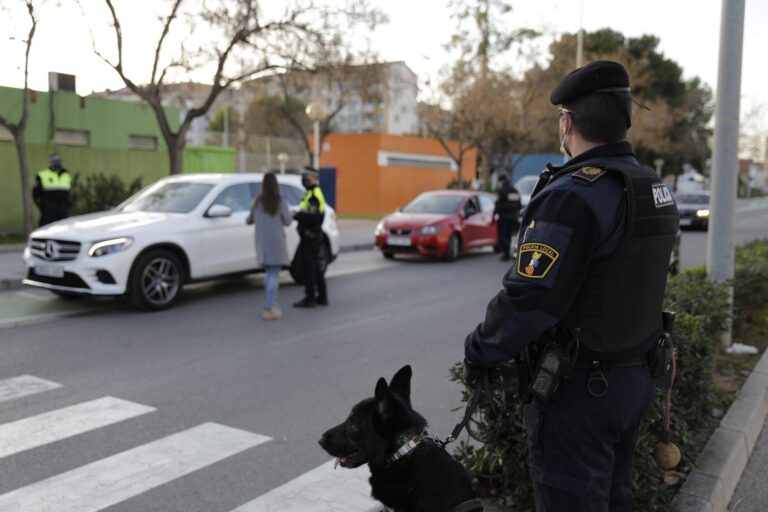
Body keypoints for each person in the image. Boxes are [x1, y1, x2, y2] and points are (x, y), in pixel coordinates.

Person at [463, 60, 679, 511]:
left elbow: (530, 300)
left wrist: (480, 349)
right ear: (626, 120)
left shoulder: (572, 195)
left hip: (581, 393)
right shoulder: (651, 187)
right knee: (613, 499)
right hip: (635, 378)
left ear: (567, 123)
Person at [246, 172, 292, 320]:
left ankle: (271, 302)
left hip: (262, 242)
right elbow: (288, 221)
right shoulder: (280, 201)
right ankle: (268, 307)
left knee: (269, 274)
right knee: (274, 274)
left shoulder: (257, 201)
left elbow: (249, 220)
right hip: (277, 242)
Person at [293, 167, 328, 308]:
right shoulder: (311, 193)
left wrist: (297, 216)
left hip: (310, 236)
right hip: (313, 236)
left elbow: (312, 217)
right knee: (316, 267)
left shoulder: (314, 195)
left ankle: (310, 297)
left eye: (306, 177)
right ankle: (322, 296)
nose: (303, 179)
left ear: (313, 178)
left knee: (308, 268)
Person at [33, 153, 73, 226]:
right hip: (48, 209)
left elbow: (69, 192)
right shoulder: (42, 174)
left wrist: (68, 205)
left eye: (58, 161)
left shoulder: (66, 175)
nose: (57, 163)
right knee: (47, 228)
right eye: (54, 161)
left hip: (63, 209)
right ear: (50, 162)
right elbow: (36, 193)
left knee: (63, 228)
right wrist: (42, 206)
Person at [493, 173, 521, 261]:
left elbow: (498, 204)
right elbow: (519, 205)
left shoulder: (502, 190)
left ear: (502, 181)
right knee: (508, 235)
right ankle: (507, 254)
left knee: (502, 236)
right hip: (513, 217)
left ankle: (507, 252)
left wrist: (493, 215)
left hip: (504, 217)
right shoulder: (514, 190)